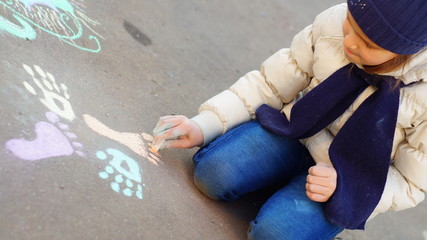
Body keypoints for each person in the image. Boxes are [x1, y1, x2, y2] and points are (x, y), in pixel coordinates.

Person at [152, 0, 427, 239]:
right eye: (351, 22)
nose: (350, 41)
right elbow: (270, 83)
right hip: (295, 130)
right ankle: (272, 183)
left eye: (368, 43)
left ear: (405, 53)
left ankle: (289, 207)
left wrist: (345, 190)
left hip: (343, 178)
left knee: (273, 234)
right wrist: (204, 124)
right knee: (212, 174)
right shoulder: (333, 23)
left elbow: (412, 181)